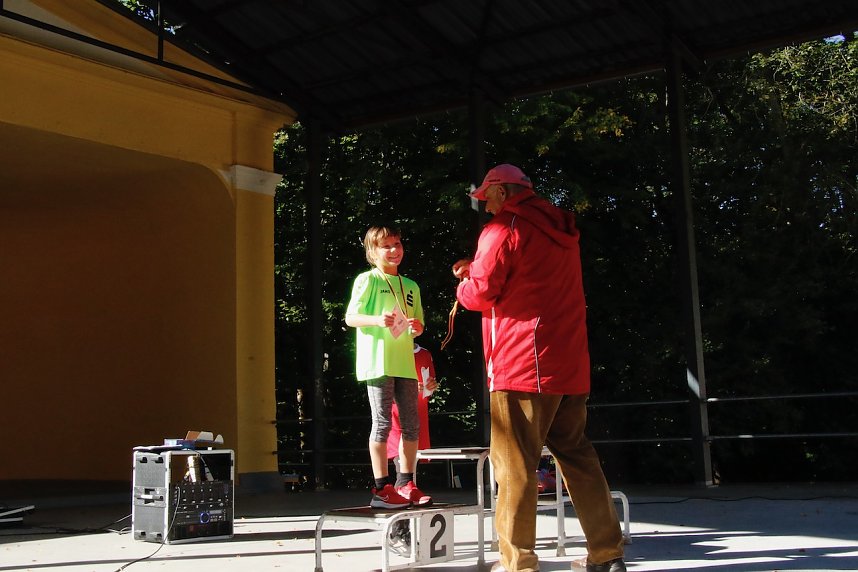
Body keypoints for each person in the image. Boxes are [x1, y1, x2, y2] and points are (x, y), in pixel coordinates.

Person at [451, 164, 626, 572]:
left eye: (487, 198)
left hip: (520, 364)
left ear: (500, 192)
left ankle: (517, 562)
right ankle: (607, 553)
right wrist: (475, 271)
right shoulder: (563, 231)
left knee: (514, 464)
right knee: (578, 456)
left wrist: (463, 282)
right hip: (569, 364)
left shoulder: (502, 227)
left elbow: (482, 292)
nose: (486, 207)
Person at [346, 225, 433, 509]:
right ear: (372, 251)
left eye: (397, 244)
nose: (394, 250)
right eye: (386, 246)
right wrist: (375, 320)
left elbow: (417, 325)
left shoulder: (411, 286)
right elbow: (351, 317)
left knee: (412, 426)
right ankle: (381, 487)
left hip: (405, 363)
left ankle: (406, 482)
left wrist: (417, 328)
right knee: (382, 423)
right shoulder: (367, 280)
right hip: (377, 362)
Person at [387, 343, 438, 471]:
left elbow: (432, 382)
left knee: (416, 452)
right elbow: (386, 385)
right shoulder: (391, 351)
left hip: (419, 410)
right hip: (397, 410)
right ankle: (403, 485)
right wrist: (408, 389)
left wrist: (431, 387)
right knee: (399, 453)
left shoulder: (425, 354)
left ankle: (409, 485)